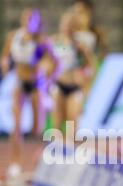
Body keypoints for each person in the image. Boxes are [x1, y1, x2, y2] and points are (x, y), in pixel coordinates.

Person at [0, 8, 59, 179]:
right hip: (19, 83)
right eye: (26, 19)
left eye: (31, 19)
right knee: (16, 125)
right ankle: (15, 163)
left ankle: (45, 156)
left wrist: (48, 78)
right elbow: (5, 56)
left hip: (36, 85)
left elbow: (54, 62)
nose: (28, 22)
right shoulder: (14, 37)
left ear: (37, 22)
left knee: (36, 129)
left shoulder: (42, 41)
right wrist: (4, 64)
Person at [51, 12, 93, 142]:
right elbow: (46, 61)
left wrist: (83, 76)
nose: (67, 28)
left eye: (71, 25)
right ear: (61, 26)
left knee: (72, 121)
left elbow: (89, 66)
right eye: (65, 25)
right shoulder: (53, 41)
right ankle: (55, 155)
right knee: (57, 121)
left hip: (74, 86)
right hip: (58, 84)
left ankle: (72, 154)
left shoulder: (79, 45)